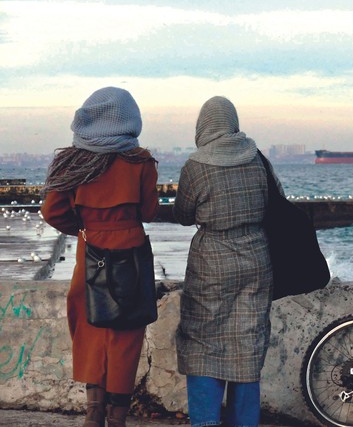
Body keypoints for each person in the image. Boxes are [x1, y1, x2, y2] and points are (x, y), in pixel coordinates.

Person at [41, 87, 159, 427]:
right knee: (126, 333)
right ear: (129, 120)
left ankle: (93, 413)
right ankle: (117, 416)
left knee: (90, 329)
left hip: (90, 251)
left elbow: (51, 211)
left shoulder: (71, 161)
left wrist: (84, 229)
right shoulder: (140, 160)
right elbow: (149, 211)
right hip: (132, 255)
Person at [173, 96, 280, 427]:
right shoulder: (257, 158)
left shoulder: (196, 165)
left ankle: (205, 421)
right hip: (256, 257)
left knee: (203, 341)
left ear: (203, 125)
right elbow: (274, 199)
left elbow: (182, 214)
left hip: (212, 261)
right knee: (247, 344)